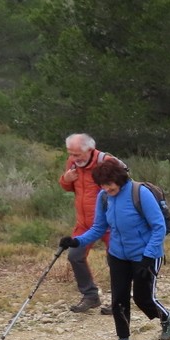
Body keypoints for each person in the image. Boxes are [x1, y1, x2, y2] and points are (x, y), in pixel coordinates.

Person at [58, 161, 170, 340]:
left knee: (143, 298)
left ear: (119, 179)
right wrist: (76, 241)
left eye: (109, 184)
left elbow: (159, 226)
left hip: (145, 256)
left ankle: (167, 317)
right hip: (118, 255)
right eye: (102, 185)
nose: (106, 188)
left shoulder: (140, 193)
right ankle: (123, 339)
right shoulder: (104, 197)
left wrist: (149, 255)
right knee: (119, 299)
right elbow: (98, 228)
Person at [59, 133, 125, 314]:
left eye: (77, 154)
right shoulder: (72, 163)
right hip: (84, 222)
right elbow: (66, 186)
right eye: (70, 153)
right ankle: (90, 296)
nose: (73, 158)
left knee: (116, 261)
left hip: (109, 223)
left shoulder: (107, 162)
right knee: (75, 256)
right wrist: (66, 179)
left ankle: (119, 301)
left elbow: (123, 188)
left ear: (89, 150)